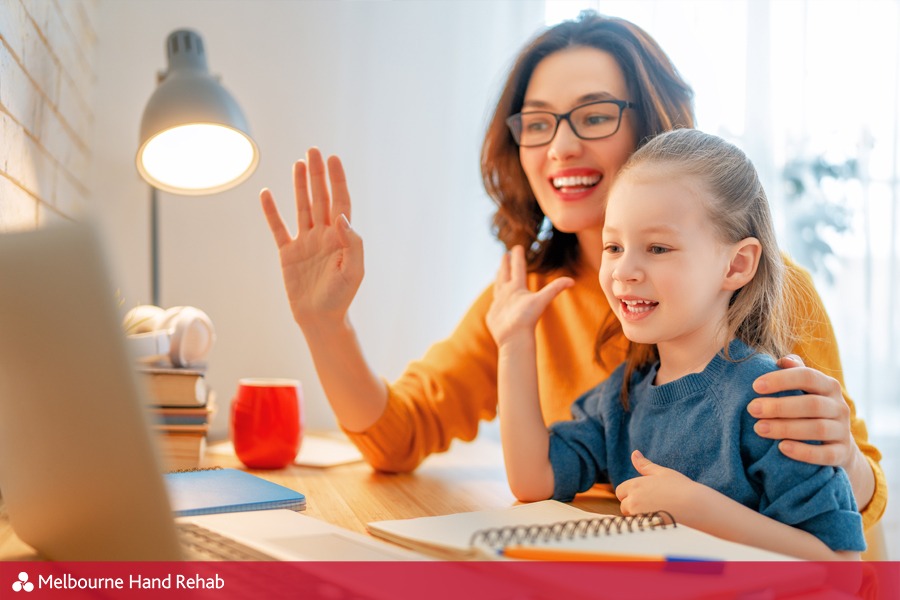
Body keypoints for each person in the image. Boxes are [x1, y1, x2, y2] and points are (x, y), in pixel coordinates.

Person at [259, 11, 885, 530]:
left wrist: (843, 456)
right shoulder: (524, 297)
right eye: (537, 123)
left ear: (654, 130)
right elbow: (398, 436)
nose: (560, 146)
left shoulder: (761, 288)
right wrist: (324, 323)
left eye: (593, 116)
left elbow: (858, 504)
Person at [487, 128, 864, 560]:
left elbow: (839, 564)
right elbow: (534, 479)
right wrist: (514, 342)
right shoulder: (623, 398)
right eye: (614, 246)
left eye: (658, 247)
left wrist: (702, 511)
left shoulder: (775, 402)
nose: (623, 270)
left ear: (737, 265)